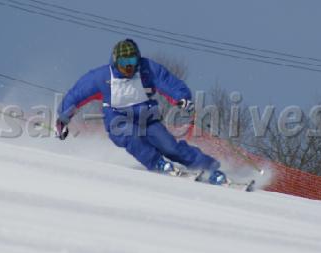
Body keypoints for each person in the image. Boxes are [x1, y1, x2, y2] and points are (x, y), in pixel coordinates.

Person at [56, 38, 228, 185]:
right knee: (131, 136)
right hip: (118, 121)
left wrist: (181, 98)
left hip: (148, 119)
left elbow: (167, 81)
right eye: (124, 63)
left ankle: (208, 167)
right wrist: (63, 119)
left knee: (170, 147)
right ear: (116, 62)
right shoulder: (102, 77)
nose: (128, 68)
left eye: (132, 62)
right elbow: (76, 95)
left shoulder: (146, 69)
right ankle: (157, 164)